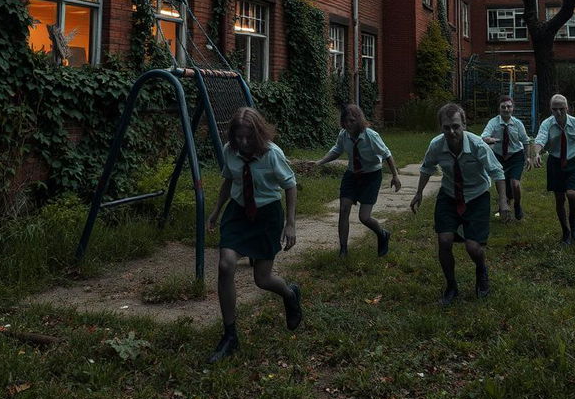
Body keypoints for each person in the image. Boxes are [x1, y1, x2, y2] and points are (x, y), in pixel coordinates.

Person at [206, 107, 301, 363]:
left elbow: (290, 185)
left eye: (248, 137)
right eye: (238, 137)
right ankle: (230, 335)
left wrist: (290, 224)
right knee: (226, 265)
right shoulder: (230, 150)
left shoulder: (272, 154)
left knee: (262, 279)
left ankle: (290, 294)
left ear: (257, 133)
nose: (243, 143)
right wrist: (216, 212)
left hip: (267, 215)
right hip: (238, 213)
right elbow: (229, 180)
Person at [410, 102, 509, 306]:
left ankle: (481, 270)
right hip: (449, 194)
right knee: (444, 240)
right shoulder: (436, 145)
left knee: (473, 248)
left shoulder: (477, 145)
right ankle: (451, 286)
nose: (452, 131)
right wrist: (418, 193)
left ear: (464, 124)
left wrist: (503, 202)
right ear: (441, 127)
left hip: (477, 195)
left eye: (456, 126)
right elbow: (427, 167)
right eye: (446, 127)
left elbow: (497, 172)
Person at [315, 103, 401, 257]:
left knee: (364, 217)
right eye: (346, 121)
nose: (349, 124)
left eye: (352, 120)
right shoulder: (343, 134)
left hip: (371, 176)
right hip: (352, 175)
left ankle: (382, 234)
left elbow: (387, 154)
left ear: (359, 120)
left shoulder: (371, 136)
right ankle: (343, 249)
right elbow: (337, 150)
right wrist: (319, 162)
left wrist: (395, 176)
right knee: (344, 209)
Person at [533, 94, 575, 244]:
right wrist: (536, 153)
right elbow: (540, 139)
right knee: (559, 198)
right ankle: (565, 232)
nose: (559, 113)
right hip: (555, 162)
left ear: (567, 108)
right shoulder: (547, 124)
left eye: (562, 109)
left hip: (574, 161)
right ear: (551, 109)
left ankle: (573, 217)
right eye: (555, 109)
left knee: (572, 194)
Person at [481, 95, 531, 220]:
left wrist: (528, 157)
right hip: (499, 156)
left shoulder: (518, 124)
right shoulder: (493, 122)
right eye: (503, 107)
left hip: (515, 155)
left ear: (513, 108)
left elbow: (525, 141)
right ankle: (504, 202)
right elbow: (484, 136)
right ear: (499, 109)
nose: (506, 109)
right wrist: (490, 139)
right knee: (500, 181)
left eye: (509, 107)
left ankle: (517, 205)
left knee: (515, 184)